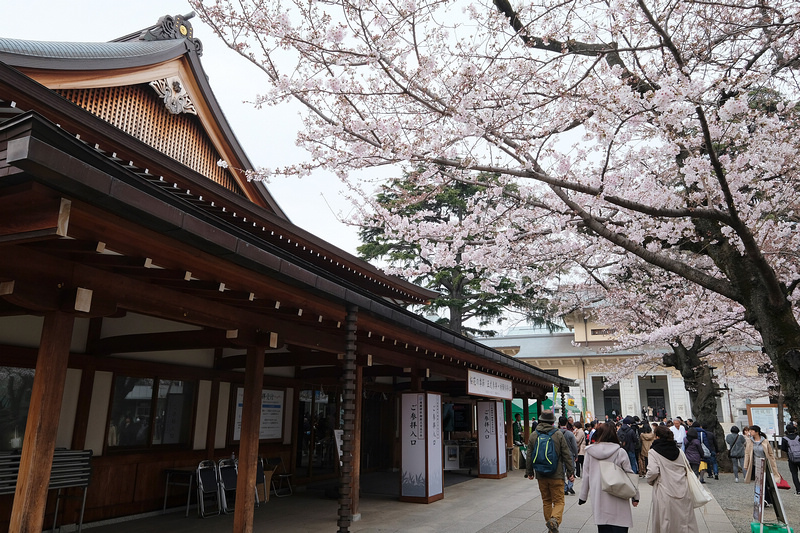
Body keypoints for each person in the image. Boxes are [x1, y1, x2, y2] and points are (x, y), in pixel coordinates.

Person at [578, 422, 640, 532]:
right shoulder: (620, 451)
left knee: (603, 527)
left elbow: (586, 475)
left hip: (599, 495)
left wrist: (583, 496)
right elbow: (629, 474)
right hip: (618, 493)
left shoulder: (590, 452)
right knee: (620, 525)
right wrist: (635, 496)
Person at [526, 410, 575, 533]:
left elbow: (529, 455)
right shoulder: (558, 434)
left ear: (541, 420)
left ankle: (551, 526)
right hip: (556, 474)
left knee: (546, 501)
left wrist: (529, 472)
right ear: (553, 421)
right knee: (559, 501)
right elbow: (566, 454)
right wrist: (570, 472)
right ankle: (554, 521)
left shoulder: (534, 435)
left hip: (541, 474)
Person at [645, 425, 699, 533]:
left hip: (664, 490)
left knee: (666, 521)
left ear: (657, 437)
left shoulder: (653, 452)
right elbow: (686, 468)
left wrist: (649, 480)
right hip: (682, 489)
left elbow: (653, 471)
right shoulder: (679, 451)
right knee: (684, 521)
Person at [743, 425, 781, 507]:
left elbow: (770, 454)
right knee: (758, 483)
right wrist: (746, 464)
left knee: (767, 482)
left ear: (757, 432)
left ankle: (767, 499)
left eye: (752, 431)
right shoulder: (750, 441)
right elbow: (747, 453)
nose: (750, 432)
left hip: (765, 464)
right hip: (755, 465)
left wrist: (773, 464)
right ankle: (760, 499)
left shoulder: (765, 441)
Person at [559, 416, 579, 495]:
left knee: (561, 472)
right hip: (570, 454)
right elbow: (574, 446)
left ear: (559, 423)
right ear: (567, 423)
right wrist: (576, 455)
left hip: (560, 455)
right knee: (571, 470)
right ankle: (570, 486)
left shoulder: (556, 433)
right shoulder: (570, 434)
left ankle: (564, 487)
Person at [780, 424, 800, 494]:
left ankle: (798, 490)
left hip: (791, 459)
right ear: (794, 429)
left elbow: (783, 448)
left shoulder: (785, 439)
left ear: (787, 430)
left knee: (794, 474)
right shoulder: (798, 437)